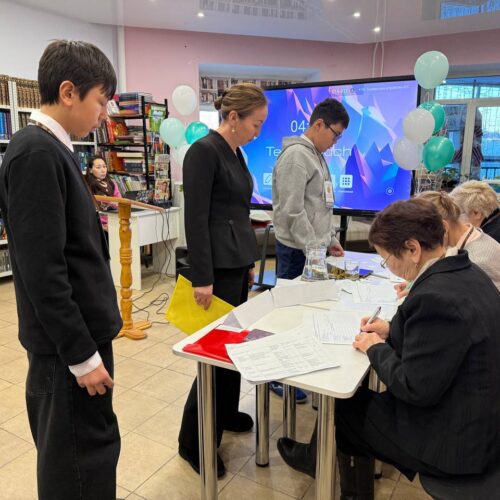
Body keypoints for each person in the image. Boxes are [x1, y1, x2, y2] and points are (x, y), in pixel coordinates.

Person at [277, 198, 500, 499]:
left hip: (456, 441)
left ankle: (347, 488)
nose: (390, 268)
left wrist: (375, 347)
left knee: (345, 409)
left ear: (412, 249)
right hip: (476, 416)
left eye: (387, 259)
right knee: (355, 399)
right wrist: (391, 329)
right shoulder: (465, 271)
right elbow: (441, 342)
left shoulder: (436, 296)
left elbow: (413, 387)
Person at [0, 41, 122, 500]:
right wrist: (82, 357)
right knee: (75, 467)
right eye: (101, 101)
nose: (105, 115)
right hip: (67, 352)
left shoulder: (55, 148)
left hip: (80, 339)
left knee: (89, 455)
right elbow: (43, 272)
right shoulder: (36, 153)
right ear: (68, 92)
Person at [178, 83, 268, 478]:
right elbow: (195, 218)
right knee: (213, 355)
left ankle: (227, 412)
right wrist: (202, 277)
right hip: (214, 271)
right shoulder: (203, 151)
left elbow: (236, 211)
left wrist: (246, 260)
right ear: (233, 117)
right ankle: (193, 442)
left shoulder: (235, 152)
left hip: (235, 263)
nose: (258, 132)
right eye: (255, 123)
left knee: (233, 348)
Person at [270, 97, 349, 401]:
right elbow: (292, 211)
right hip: (296, 251)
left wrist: (330, 239)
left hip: (312, 250)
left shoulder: (316, 154)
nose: (335, 141)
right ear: (318, 124)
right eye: (335, 134)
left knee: (306, 316)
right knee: (288, 316)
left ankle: (299, 368)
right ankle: (278, 376)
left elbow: (320, 205)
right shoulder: (296, 157)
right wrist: (315, 248)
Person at [394, 190, 500, 297]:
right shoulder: (468, 236)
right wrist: (416, 283)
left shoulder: (476, 261)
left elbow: (459, 298)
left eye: (422, 237)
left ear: (443, 228)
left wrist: (421, 289)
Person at [84, 155, 121, 229]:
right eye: (98, 167)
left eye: (104, 167)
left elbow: (119, 201)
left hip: (114, 220)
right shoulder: (87, 185)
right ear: (90, 170)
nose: (103, 170)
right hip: (96, 224)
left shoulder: (112, 183)